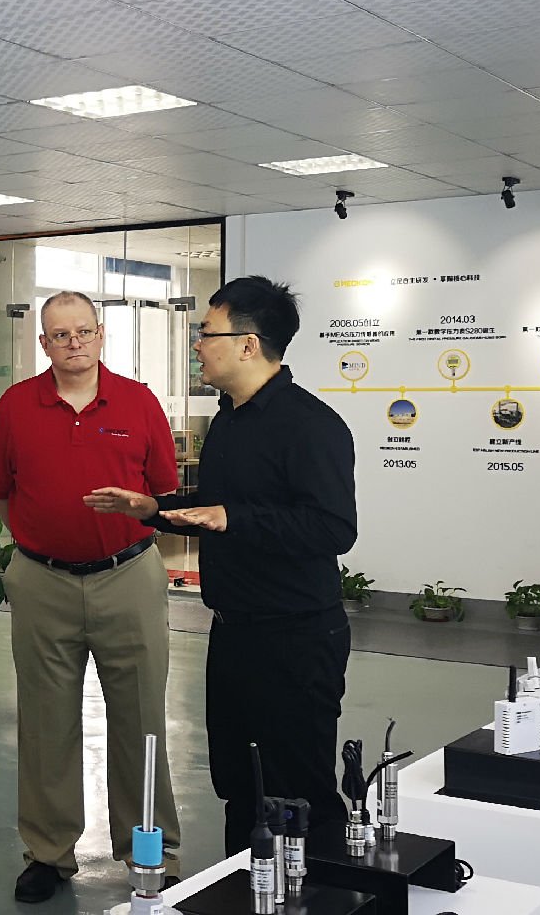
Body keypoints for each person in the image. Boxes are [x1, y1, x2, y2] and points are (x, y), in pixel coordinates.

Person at [85, 276, 357, 855]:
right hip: (234, 632)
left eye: (207, 333)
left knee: (297, 787)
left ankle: (313, 890)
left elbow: (333, 528)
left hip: (296, 637)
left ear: (248, 344)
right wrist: (154, 509)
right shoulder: (229, 419)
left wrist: (235, 517)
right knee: (238, 782)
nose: (197, 346)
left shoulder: (312, 426)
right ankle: (243, 885)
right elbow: (213, 508)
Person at [0, 291, 182, 903]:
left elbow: (164, 495)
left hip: (129, 576)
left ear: (101, 334)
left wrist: (132, 516)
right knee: (46, 723)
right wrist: (40, 539)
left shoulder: (138, 401)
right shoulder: (17, 406)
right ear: (43, 343)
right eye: (60, 335)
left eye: (83, 332)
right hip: (43, 582)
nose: (74, 343)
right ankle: (47, 852)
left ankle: (151, 851)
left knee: (142, 719)